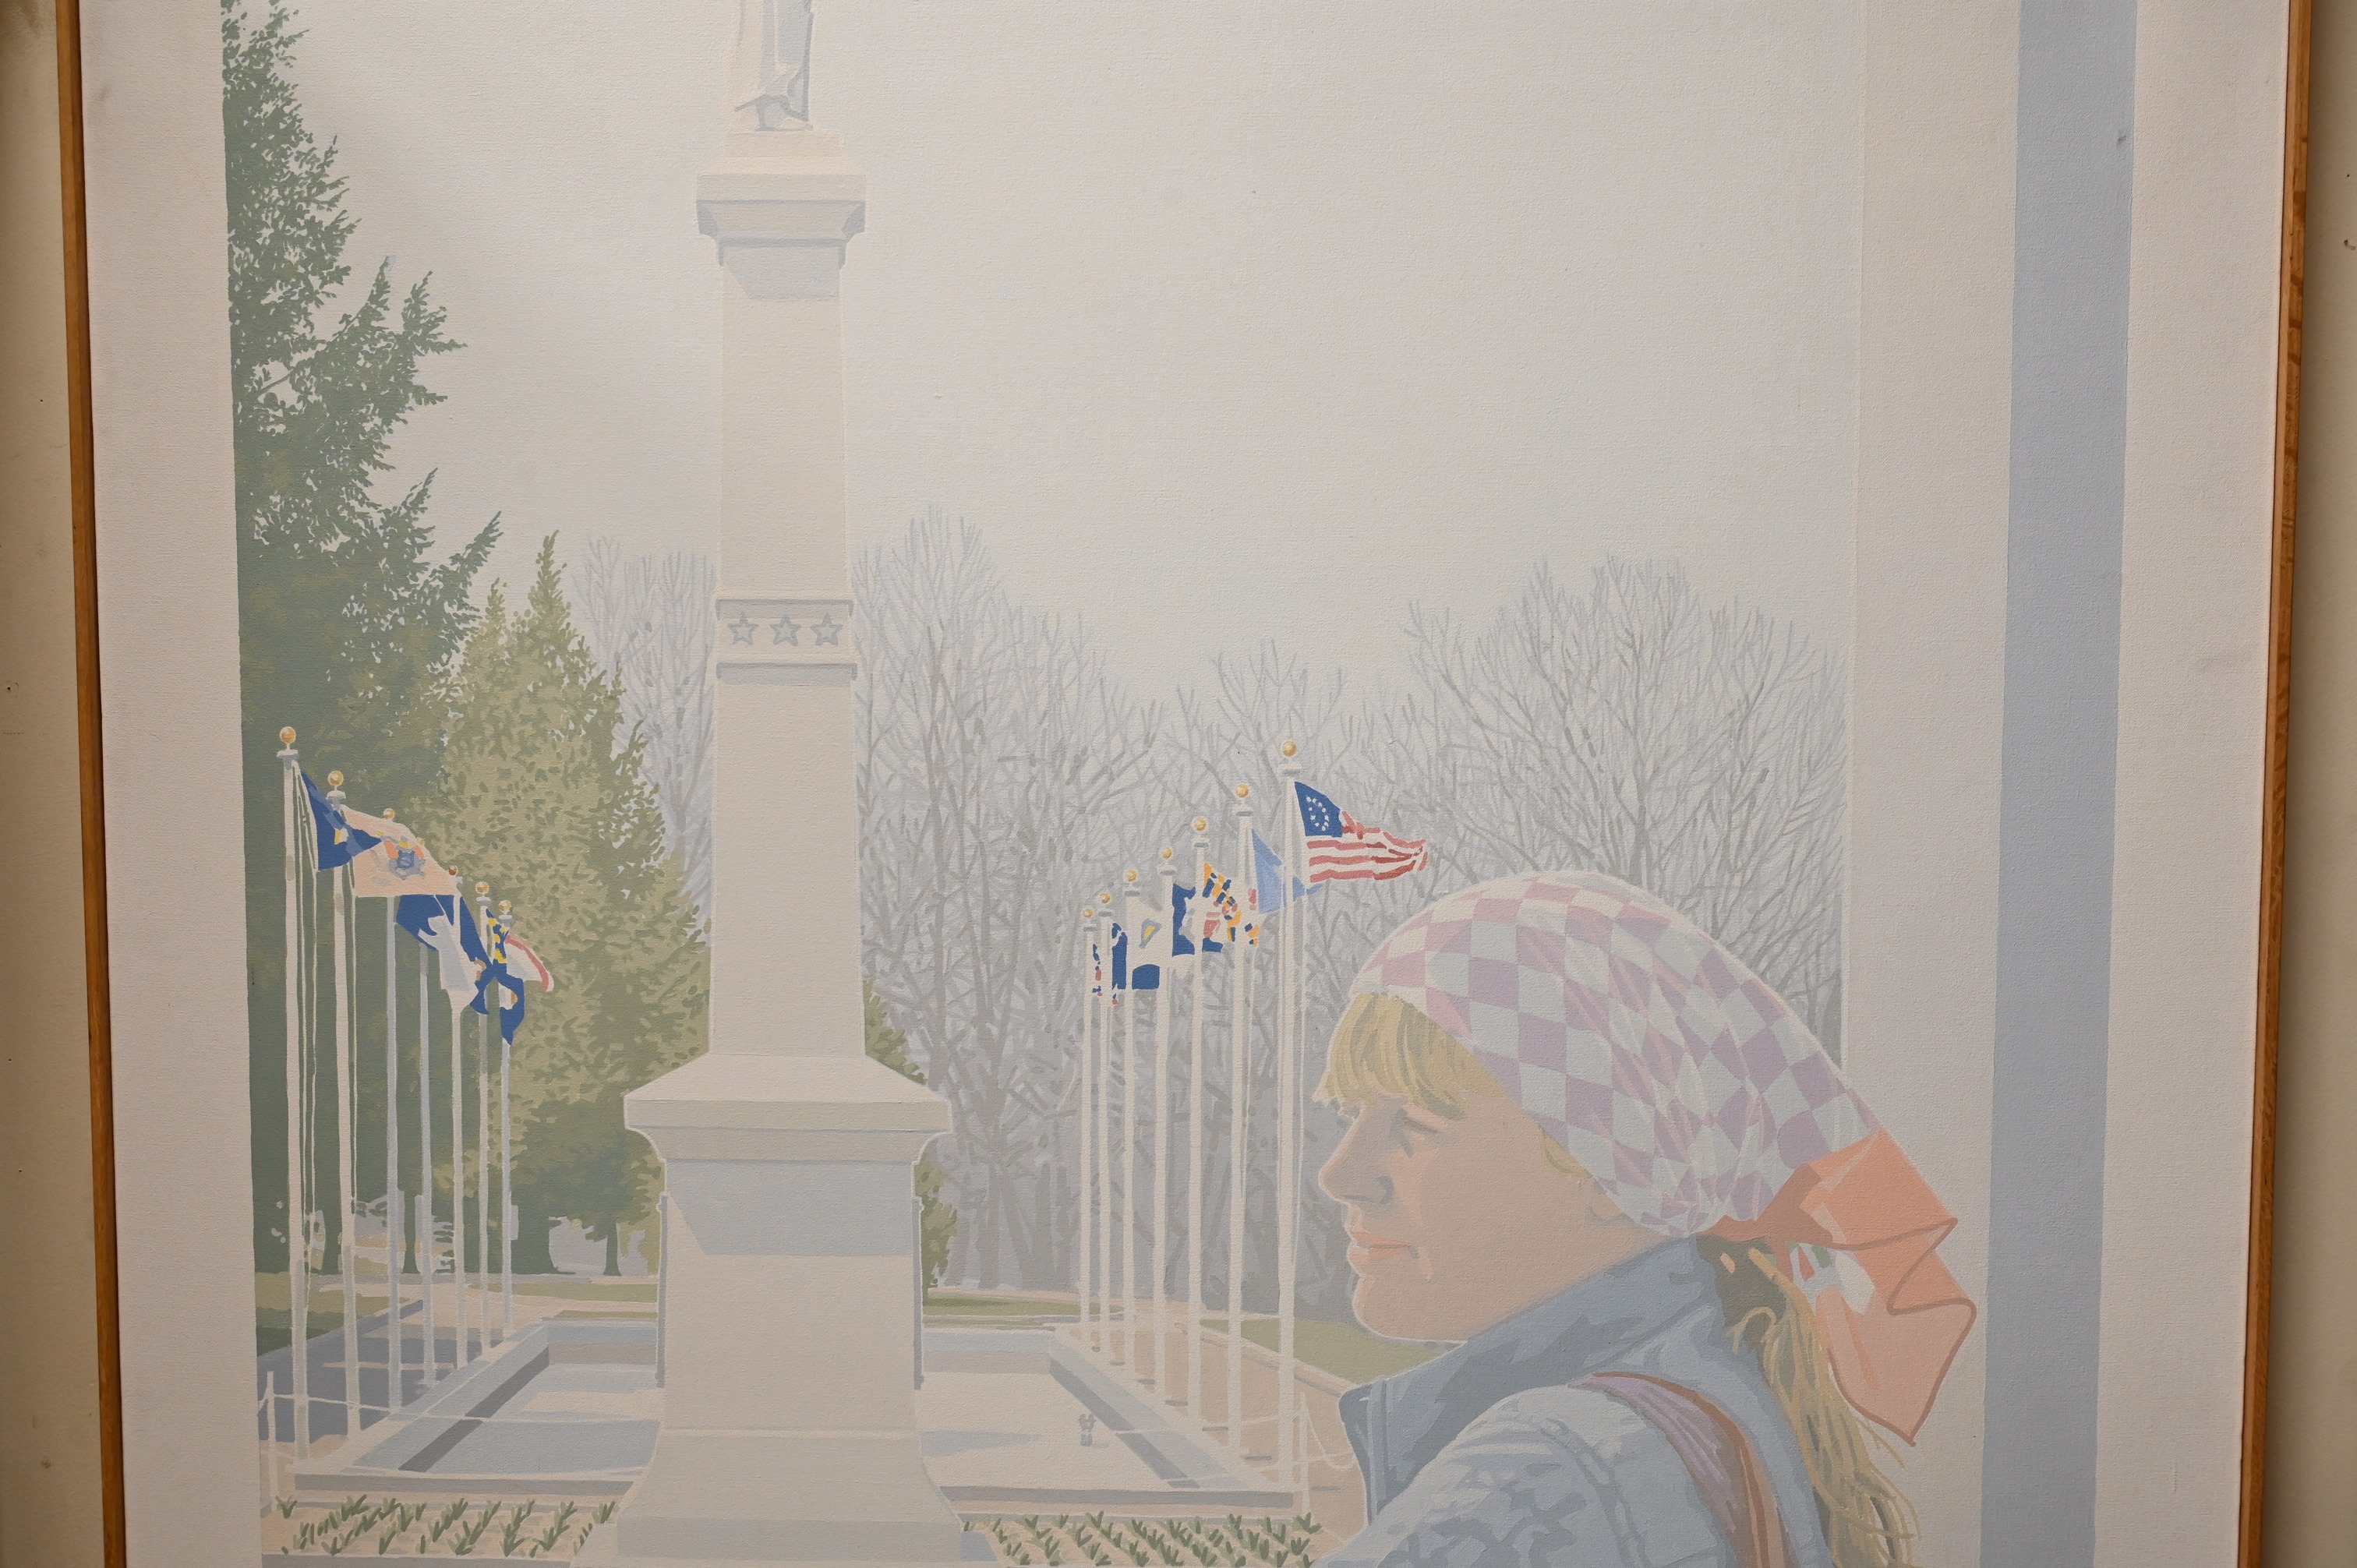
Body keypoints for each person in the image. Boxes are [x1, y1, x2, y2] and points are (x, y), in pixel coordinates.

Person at [1316, 871, 1974, 1568]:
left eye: (1416, 1125)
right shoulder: (1721, 1374)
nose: (1341, 1175)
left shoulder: (1542, 1474)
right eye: (1352, 1114)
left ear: (1619, 1164)